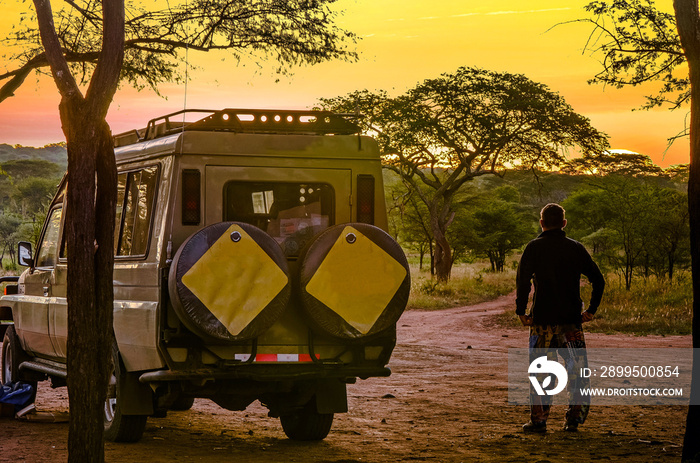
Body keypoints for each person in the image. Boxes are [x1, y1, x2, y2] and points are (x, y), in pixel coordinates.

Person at [515, 203, 605, 433]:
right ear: (564, 223)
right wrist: (591, 310)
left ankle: (539, 421)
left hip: (542, 321)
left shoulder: (533, 248)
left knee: (541, 372)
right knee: (577, 372)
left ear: (541, 223)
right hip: (570, 322)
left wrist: (521, 311)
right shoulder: (575, 248)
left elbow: (523, 282)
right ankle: (573, 420)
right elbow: (598, 279)